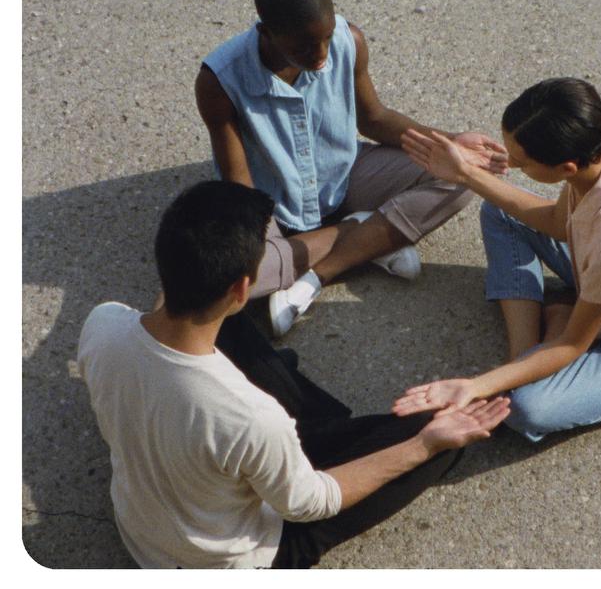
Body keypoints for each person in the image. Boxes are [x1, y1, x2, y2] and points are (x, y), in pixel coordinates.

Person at [77, 181, 509, 568]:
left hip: (142, 533)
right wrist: (425, 444)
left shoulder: (103, 324)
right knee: (438, 434)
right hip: (229, 559)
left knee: (225, 326)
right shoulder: (251, 417)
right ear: (243, 288)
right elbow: (310, 504)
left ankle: (310, 428)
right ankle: (334, 435)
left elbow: (176, 312)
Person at [195, 0, 507, 337]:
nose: (322, 53)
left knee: (459, 177)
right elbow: (239, 192)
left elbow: (373, 119)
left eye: (326, 36)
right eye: (305, 46)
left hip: (343, 177)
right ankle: (366, 234)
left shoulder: (350, 41)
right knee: (224, 280)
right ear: (267, 32)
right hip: (271, 209)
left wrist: (452, 142)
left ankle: (317, 275)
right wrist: (248, 249)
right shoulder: (219, 81)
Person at [394, 78, 601, 442]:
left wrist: (475, 386)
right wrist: (467, 173)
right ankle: (530, 353)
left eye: (523, 162)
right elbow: (559, 224)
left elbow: (571, 345)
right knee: (501, 212)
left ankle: (544, 339)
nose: (510, 163)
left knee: (525, 409)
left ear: (567, 168)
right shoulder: (600, 143)